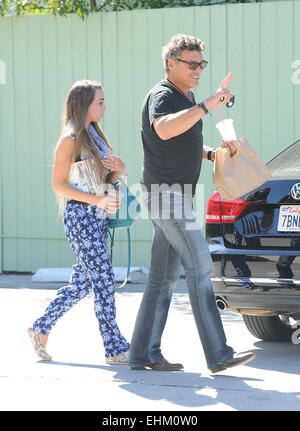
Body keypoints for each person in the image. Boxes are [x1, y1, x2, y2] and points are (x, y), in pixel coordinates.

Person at [128, 34, 255, 373]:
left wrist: (213, 153)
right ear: (171, 64)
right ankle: (219, 353)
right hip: (166, 195)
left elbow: (182, 140)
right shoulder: (163, 95)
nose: (198, 69)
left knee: (161, 278)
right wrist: (208, 104)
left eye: (202, 64)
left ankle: (142, 353)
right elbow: (165, 130)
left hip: (175, 194)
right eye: (192, 64)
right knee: (200, 267)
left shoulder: (185, 96)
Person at [28, 80, 130, 364]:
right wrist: (97, 201)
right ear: (84, 104)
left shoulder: (95, 136)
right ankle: (115, 347)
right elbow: (58, 184)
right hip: (80, 218)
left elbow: (103, 183)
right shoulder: (70, 139)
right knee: (104, 279)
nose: (105, 107)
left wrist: (117, 172)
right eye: (100, 102)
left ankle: (40, 329)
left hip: (96, 216)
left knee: (83, 283)